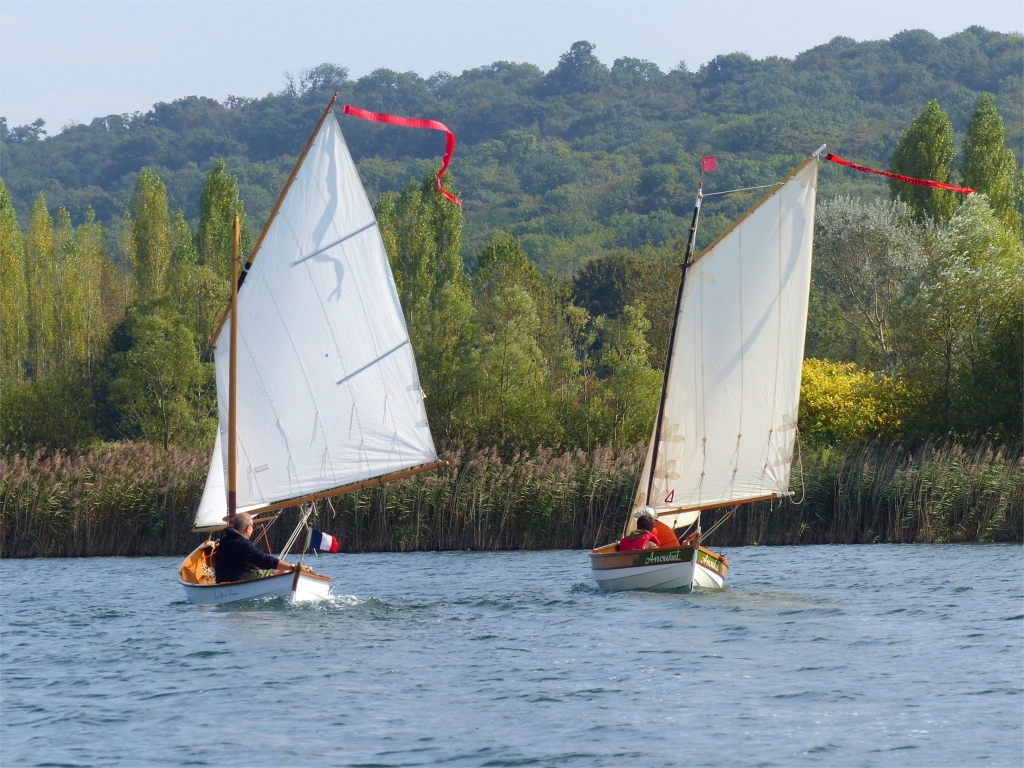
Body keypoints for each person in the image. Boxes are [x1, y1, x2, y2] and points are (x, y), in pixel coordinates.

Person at [215, 512, 305, 583]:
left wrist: (254, 566)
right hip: (239, 579)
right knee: (285, 572)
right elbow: (264, 560)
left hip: (222, 581)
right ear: (248, 528)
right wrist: (294, 567)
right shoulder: (242, 543)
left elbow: (236, 561)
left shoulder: (226, 540)